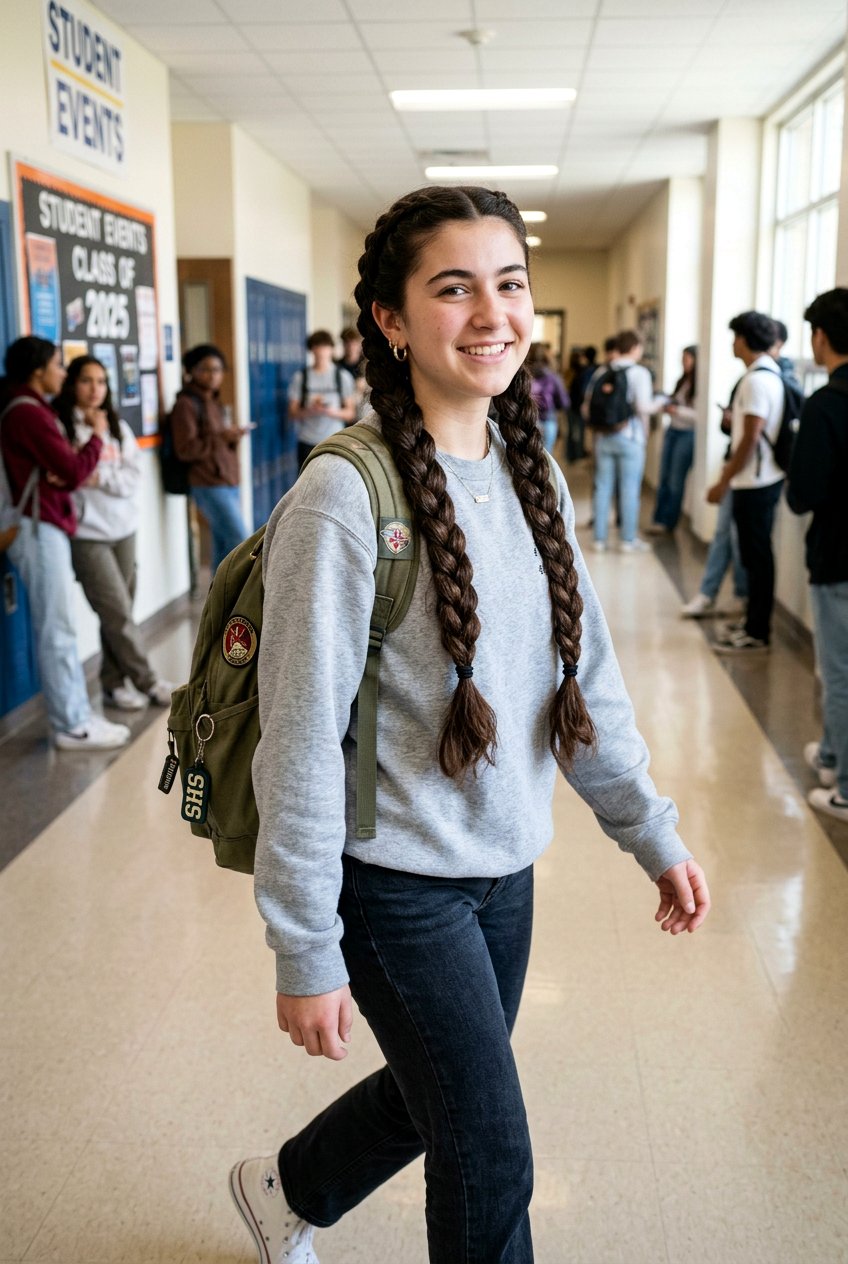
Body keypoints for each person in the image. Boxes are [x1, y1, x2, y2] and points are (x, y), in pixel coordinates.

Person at [232, 185, 711, 1264]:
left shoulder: (528, 469)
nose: (490, 312)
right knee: (488, 1150)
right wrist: (304, 945)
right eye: (452, 288)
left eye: (507, 284)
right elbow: (299, 737)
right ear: (392, 321)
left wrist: (651, 829)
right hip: (392, 883)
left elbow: (579, 676)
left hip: (504, 869)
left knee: (433, 1093)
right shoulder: (343, 499)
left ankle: (286, 1188)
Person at [0, 337, 129, 749]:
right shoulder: (28, 413)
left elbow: (63, 471)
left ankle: (74, 712)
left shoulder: (31, 409)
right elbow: (72, 472)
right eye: (58, 365)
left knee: (61, 626)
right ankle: (71, 724)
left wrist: (66, 468)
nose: (62, 373)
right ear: (39, 370)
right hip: (38, 527)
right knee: (57, 629)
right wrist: (95, 437)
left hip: (45, 524)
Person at [54, 356, 172, 711]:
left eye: (101, 382)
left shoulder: (118, 427)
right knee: (117, 612)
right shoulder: (63, 428)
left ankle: (112, 684)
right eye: (87, 381)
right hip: (88, 534)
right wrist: (91, 472)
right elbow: (68, 479)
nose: (95, 389)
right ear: (73, 384)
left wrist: (99, 477)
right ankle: (149, 682)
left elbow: (133, 478)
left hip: (124, 530)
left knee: (116, 614)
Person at [786, 288, 848, 823]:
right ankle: (831, 754)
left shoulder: (828, 403)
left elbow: (804, 490)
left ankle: (845, 786)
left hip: (839, 553)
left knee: (840, 670)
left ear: (821, 337)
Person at [708, 311, 784, 654]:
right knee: (755, 556)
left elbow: (750, 438)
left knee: (756, 557)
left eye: (735, 336)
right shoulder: (769, 375)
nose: (732, 343)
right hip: (761, 480)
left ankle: (757, 631)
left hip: (755, 482)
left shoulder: (755, 381)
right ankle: (753, 623)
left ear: (744, 339)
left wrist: (724, 480)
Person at [171, 344, 249, 574]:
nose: (213, 375)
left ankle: (220, 605)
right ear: (192, 371)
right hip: (207, 483)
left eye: (217, 369)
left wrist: (231, 437)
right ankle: (236, 599)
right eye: (206, 369)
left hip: (226, 479)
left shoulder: (213, 401)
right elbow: (186, 449)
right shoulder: (186, 404)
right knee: (241, 540)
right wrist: (221, 437)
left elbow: (217, 441)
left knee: (223, 547)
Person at [585, 330, 654, 553]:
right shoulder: (639, 373)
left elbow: (586, 406)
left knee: (602, 486)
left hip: (604, 437)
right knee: (629, 488)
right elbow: (643, 407)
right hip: (630, 438)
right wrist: (659, 407)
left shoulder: (602, 371)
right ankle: (627, 539)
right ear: (634, 348)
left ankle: (599, 539)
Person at [647, 345, 698, 534]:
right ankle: (659, 519)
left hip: (686, 435)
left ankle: (668, 522)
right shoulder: (683, 381)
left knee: (676, 480)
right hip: (673, 431)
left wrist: (676, 410)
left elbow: (699, 416)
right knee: (664, 478)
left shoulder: (699, 385)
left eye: (687, 359)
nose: (683, 362)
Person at [289, 330, 357, 466]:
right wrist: (310, 410)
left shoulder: (342, 377)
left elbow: (351, 413)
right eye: (317, 347)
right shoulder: (301, 378)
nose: (321, 352)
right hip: (307, 442)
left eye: (325, 347)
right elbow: (292, 413)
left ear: (331, 350)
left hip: (334, 441)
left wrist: (331, 412)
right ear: (311, 350)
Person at [526, 341, 569, 453]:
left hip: (526, 419)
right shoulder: (552, 376)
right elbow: (564, 402)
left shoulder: (520, 375)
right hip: (548, 420)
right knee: (546, 458)